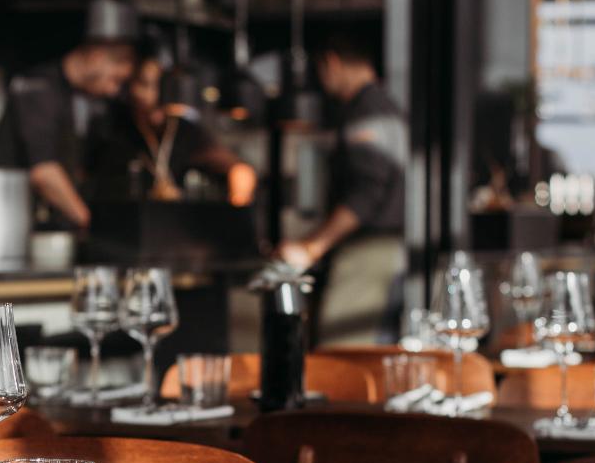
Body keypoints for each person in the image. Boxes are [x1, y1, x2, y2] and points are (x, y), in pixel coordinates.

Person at [274, 32, 406, 344]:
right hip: (385, 251)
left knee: (342, 351)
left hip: (370, 252)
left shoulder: (367, 112)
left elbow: (367, 194)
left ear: (330, 63)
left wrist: (312, 246)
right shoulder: (385, 105)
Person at [0, 38, 137, 230]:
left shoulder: (77, 96)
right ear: (96, 58)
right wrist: (92, 224)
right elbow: (43, 173)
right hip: (8, 226)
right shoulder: (39, 87)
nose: (113, 91)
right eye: (115, 79)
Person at [88, 53, 257, 206]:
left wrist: (237, 205)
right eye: (145, 84)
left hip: (173, 225)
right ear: (131, 86)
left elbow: (240, 170)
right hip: (124, 225)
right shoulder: (114, 128)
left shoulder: (184, 131)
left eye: (160, 86)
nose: (153, 94)